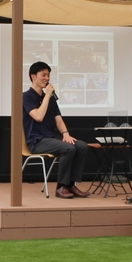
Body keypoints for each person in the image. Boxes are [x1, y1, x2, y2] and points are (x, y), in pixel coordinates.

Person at [23, 61, 90, 199]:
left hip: (52, 138)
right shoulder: (26, 97)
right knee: (68, 149)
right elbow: (38, 117)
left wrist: (66, 134)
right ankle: (61, 187)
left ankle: (71, 184)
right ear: (33, 76)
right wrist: (47, 95)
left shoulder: (50, 98)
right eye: (44, 75)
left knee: (81, 146)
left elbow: (58, 119)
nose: (47, 78)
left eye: (48, 75)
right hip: (37, 141)